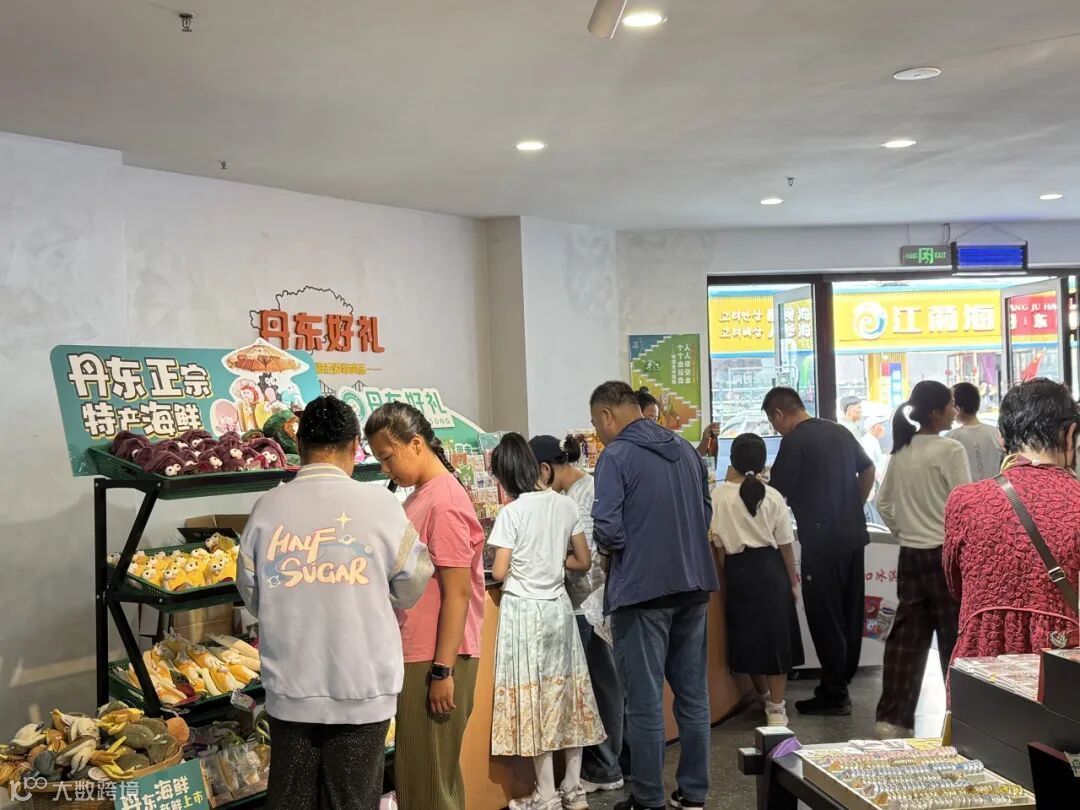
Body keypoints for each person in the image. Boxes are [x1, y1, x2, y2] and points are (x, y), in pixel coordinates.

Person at [236, 396, 434, 810]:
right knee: (353, 801)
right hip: (363, 689)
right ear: (354, 445)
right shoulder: (381, 505)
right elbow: (414, 581)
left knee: (290, 801)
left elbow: (252, 595)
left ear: (300, 446)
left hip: (291, 688)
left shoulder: (267, 508)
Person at [590, 381, 719, 810]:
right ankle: (695, 793)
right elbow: (704, 512)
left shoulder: (616, 456)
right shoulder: (685, 450)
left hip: (642, 591)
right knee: (693, 696)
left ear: (607, 415)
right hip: (694, 585)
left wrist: (620, 548)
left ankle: (648, 799)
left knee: (644, 704)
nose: (597, 433)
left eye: (596, 423)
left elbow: (608, 528)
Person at [364, 402, 486, 810]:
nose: (386, 469)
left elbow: (458, 593)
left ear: (415, 444)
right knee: (427, 780)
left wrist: (442, 670)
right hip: (420, 652)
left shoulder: (443, 501)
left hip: (434, 656)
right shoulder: (424, 495)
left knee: (427, 783)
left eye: (387, 457)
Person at [487, 433, 605, 810]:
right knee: (568, 693)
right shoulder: (565, 505)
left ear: (505, 476)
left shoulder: (511, 513)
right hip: (559, 608)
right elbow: (583, 560)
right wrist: (554, 560)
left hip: (524, 611)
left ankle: (547, 793)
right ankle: (573, 788)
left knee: (534, 698)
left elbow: (499, 571)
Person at [944, 378, 1080, 661]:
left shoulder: (965, 501)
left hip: (981, 659)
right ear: (1070, 434)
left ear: (1002, 439)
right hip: (1060, 659)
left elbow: (956, 586)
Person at [762, 387, 876, 716]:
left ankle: (835, 693)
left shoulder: (795, 442)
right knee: (850, 613)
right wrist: (853, 505)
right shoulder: (839, 431)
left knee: (825, 615)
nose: (776, 429)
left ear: (779, 414)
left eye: (773, 422)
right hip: (853, 536)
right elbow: (868, 469)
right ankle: (840, 685)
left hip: (821, 542)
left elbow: (775, 496)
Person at [874, 382, 971, 738]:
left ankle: (892, 721)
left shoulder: (901, 450)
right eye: (951, 405)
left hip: (910, 555)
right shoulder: (950, 449)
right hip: (945, 555)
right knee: (953, 638)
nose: (954, 410)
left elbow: (883, 503)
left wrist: (904, 531)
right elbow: (964, 504)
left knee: (907, 639)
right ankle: (962, 718)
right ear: (935, 412)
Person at [529, 434, 624, 796]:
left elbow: (586, 559)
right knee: (605, 687)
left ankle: (604, 768)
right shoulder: (577, 492)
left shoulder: (581, 497)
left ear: (545, 469)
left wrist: (544, 557)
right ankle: (615, 763)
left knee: (598, 689)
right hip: (592, 604)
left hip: (590, 606)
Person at [709, 433, 803, 727]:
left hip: (738, 571)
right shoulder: (773, 496)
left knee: (745, 639)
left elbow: (718, 546)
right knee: (777, 640)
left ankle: (762, 695)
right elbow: (785, 545)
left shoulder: (718, 496)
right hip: (771, 570)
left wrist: (727, 574)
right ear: (763, 462)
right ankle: (777, 708)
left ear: (732, 460)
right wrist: (792, 582)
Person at [947, 382, 1004, 482]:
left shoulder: (951, 437)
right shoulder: (996, 433)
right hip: (996, 488)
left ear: (959, 409)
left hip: (965, 490)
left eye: (952, 405)